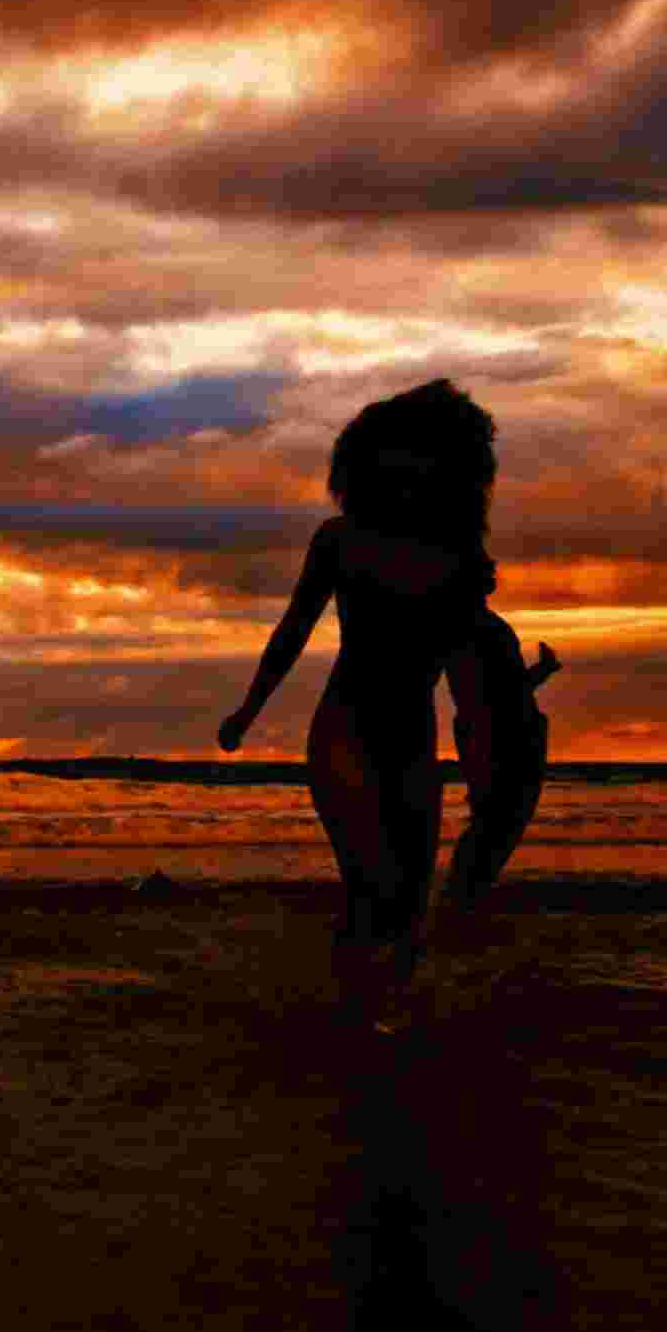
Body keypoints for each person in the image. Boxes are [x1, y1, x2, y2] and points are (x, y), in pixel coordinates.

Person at [216, 379, 500, 1010]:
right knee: (372, 886)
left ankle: (373, 1015)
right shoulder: (339, 540)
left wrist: (487, 751)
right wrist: (247, 711)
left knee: (406, 908)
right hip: (343, 733)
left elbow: (466, 666)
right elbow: (292, 631)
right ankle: (351, 1012)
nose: (409, 469)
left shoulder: (455, 555)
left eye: (424, 456)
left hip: (413, 743)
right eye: (397, 455)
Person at [439, 613, 560, 914]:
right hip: (499, 735)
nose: (491, 569)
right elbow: (498, 691)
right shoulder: (470, 626)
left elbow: (502, 688)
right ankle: (462, 899)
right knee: (497, 822)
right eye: (483, 566)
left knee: (496, 821)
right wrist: (541, 672)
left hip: (502, 732)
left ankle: (463, 897)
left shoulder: (479, 623)